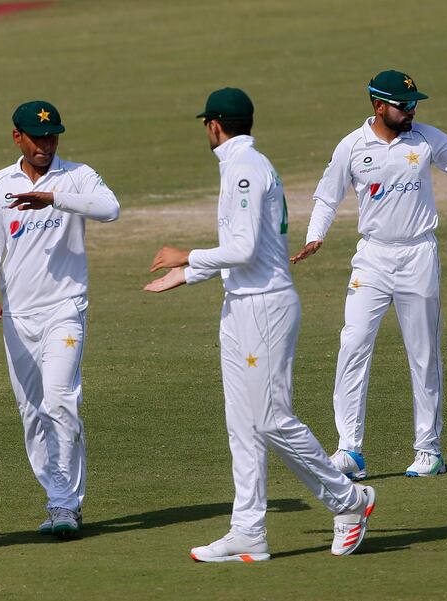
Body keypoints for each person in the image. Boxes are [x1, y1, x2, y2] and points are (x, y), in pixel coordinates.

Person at [144, 87, 375, 561]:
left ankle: (349, 501)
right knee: (243, 424)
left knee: (271, 418)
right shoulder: (238, 164)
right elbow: (240, 249)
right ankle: (248, 530)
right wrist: (187, 275)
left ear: (214, 125)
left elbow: (245, 248)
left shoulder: (245, 168)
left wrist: (186, 255)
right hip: (241, 304)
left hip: (265, 307)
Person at [290, 70, 447, 479]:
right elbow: (327, 195)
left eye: (414, 104)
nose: (412, 111)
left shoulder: (426, 137)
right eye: (403, 105)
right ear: (379, 106)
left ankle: (429, 449)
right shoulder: (352, 146)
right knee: (353, 344)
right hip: (372, 257)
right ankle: (349, 450)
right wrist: (315, 237)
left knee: (423, 352)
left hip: (418, 255)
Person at [0, 101, 120, 536]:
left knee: (60, 398)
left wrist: (54, 197)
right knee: (32, 413)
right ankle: (56, 495)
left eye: (53, 136)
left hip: (65, 309)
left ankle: (65, 505)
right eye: (38, 138)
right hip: (18, 316)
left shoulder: (77, 175)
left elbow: (110, 208)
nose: (46, 145)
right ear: (17, 136)